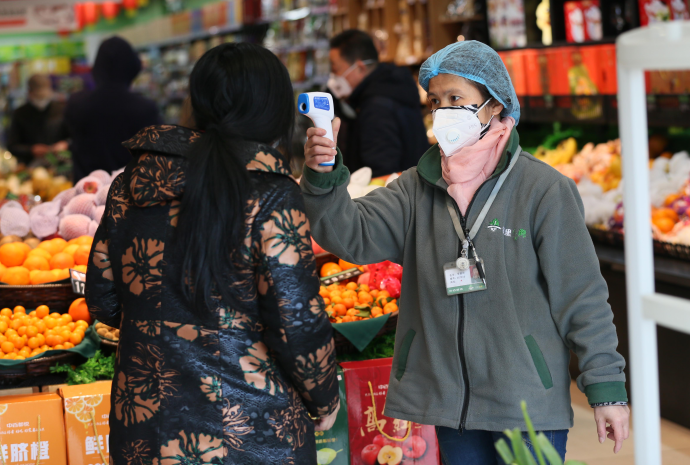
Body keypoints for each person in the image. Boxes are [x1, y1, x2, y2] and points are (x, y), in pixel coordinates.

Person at [302, 40, 630, 464]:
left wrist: (606, 388)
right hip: (449, 403)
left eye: (456, 98)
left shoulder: (544, 190)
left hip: (526, 403)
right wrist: (323, 176)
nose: (442, 112)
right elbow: (351, 234)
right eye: (435, 101)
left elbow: (581, 295)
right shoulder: (415, 187)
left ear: (494, 105)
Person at [85, 43, 339, 464]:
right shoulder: (270, 194)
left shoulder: (132, 185)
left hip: (148, 428)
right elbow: (295, 321)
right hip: (252, 431)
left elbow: (103, 298)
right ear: (271, 109)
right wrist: (325, 399)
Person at [328, 29, 428, 178]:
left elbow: (381, 170)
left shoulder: (376, 107)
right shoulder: (392, 88)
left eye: (336, 69)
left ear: (360, 68)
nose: (334, 77)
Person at [64, 36, 161, 182]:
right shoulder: (144, 108)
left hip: (86, 198)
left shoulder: (76, 104)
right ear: (132, 67)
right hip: (131, 197)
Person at [6, 74, 69, 166]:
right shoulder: (20, 113)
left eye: (44, 97)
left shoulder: (61, 109)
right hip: (30, 168)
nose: (42, 100)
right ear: (29, 92)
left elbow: (75, 137)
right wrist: (31, 150)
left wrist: (64, 144)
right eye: (38, 96)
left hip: (60, 165)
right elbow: (12, 146)